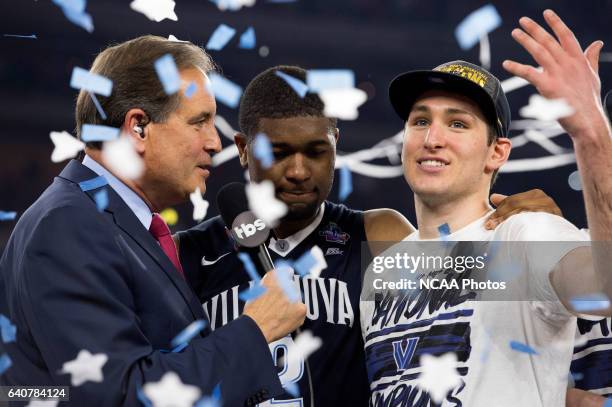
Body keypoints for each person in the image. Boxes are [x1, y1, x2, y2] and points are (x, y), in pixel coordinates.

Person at [177, 65, 565, 406]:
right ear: (243, 150)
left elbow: (471, 288)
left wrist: (534, 228)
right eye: (278, 152)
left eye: (315, 151)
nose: (298, 171)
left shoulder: (376, 233)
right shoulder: (189, 254)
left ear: (335, 146)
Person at [0, 36, 307, 406]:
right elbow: (120, 395)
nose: (214, 143)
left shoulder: (113, 222)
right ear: (138, 127)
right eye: (200, 122)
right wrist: (256, 331)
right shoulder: (67, 225)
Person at [360, 9, 612, 406]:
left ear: (497, 153)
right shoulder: (381, 272)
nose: (433, 138)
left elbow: (604, 289)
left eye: (458, 124)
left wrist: (591, 134)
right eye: (420, 121)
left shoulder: (524, 234)